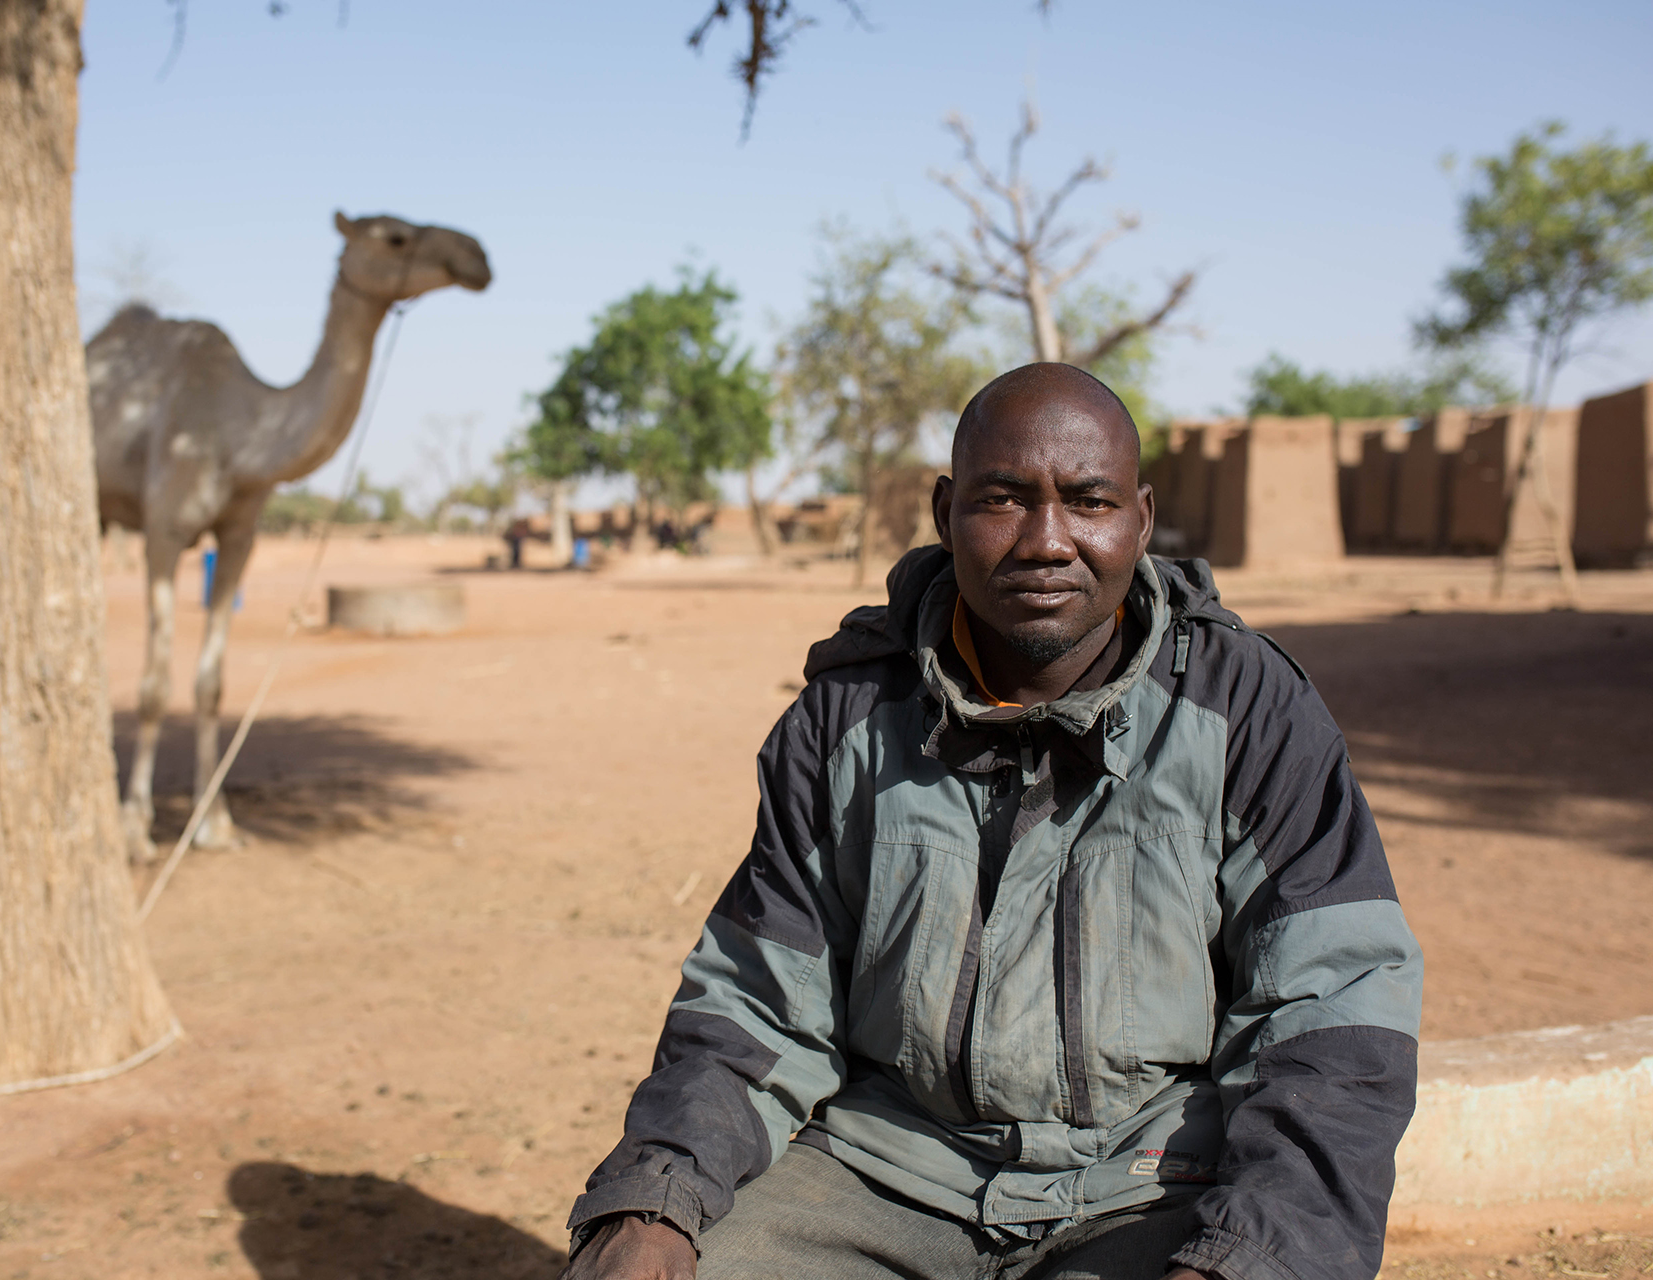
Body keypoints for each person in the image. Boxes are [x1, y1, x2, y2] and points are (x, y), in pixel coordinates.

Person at [561, 363, 1424, 1280]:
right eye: (1004, 500)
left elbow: (1335, 1010)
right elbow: (757, 1006)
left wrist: (1247, 1256)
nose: (1047, 542)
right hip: (886, 1171)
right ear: (944, 513)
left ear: (1139, 516)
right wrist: (655, 1201)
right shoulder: (846, 718)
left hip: (1153, 1180)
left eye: (1087, 501)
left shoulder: (1243, 707)